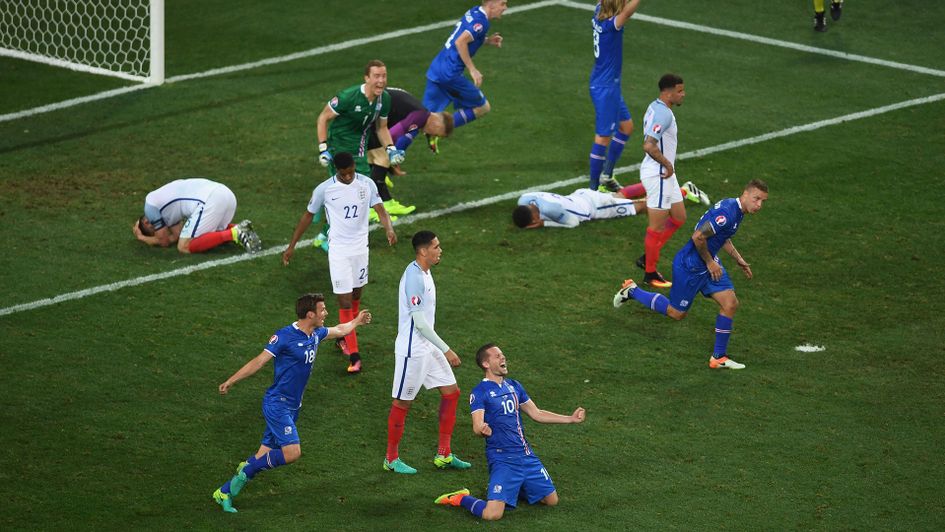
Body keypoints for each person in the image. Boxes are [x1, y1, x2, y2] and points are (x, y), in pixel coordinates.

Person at [211, 293, 372, 513]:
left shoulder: (316, 333)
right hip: (277, 404)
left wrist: (356, 321)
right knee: (292, 452)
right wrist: (231, 380)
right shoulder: (284, 337)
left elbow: (339, 330)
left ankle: (225, 491)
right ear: (310, 314)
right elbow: (259, 361)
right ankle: (246, 471)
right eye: (322, 310)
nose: (326, 313)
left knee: (262, 456)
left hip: (293, 406)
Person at [613, 179, 769, 370]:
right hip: (691, 267)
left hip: (708, 264)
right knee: (676, 313)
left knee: (730, 304)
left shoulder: (736, 210)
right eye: (756, 199)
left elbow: (723, 236)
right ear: (745, 194)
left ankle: (718, 357)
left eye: (762, 201)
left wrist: (738, 259)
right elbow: (698, 236)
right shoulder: (727, 214)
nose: (759, 205)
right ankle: (632, 291)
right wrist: (710, 262)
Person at [434, 343, 586, 521]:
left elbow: (536, 413)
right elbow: (477, 426)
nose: (503, 357)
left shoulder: (514, 386)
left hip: (526, 455)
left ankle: (511, 488)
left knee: (551, 501)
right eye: (497, 356)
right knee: (492, 515)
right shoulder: (480, 391)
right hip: (503, 459)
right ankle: (461, 498)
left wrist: (570, 418)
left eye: (502, 355)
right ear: (486, 364)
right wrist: (482, 430)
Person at [282, 152, 396, 374]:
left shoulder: (367, 184)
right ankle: (354, 355)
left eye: (350, 172)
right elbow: (307, 216)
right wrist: (291, 245)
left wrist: (389, 229)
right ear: (336, 171)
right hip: (339, 251)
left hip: (361, 249)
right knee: (344, 302)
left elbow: (380, 209)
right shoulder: (324, 189)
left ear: (354, 167)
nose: (348, 177)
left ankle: (343, 335)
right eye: (343, 174)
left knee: (356, 296)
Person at [384, 230, 470, 474]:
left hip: (427, 346)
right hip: (413, 350)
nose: (440, 250)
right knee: (403, 403)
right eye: (436, 247)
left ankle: (444, 454)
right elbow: (420, 324)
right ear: (423, 251)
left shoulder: (425, 271)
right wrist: (447, 350)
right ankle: (391, 459)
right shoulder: (414, 278)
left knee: (451, 392)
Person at [314, 59, 405, 250]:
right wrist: (323, 149)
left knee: (361, 192)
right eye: (377, 76)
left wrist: (391, 149)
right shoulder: (348, 96)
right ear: (367, 78)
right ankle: (327, 235)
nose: (381, 81)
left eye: (384, 76)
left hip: (359, 150)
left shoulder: (384, 99)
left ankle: (325, 231)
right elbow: (323, 118)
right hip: (338, 149)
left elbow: (381, 128)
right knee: (345, 194)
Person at [422, 0, 507, 151]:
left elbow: (469, 35)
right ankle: (437, 129)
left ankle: (389, 143)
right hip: (451, 73)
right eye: (503, 3)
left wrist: (488, 40)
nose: (505, 8)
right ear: (491, 4)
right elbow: (460, 42)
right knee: (483, 107)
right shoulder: (482, 22)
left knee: (421, 118)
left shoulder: (474, 11)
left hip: (438, 66)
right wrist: (473, 70)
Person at [365, 87, 455, 219]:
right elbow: (390, 135)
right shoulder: (420, 117)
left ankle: (386, 202)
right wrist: (387, 164)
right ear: (437, 125)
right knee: (381, 158)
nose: (430, 135)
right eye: (436, 134)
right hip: (367, 113)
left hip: (371, 111)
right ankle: (371, 207)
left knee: (378, 160)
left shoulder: (421, 114)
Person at [636, 73, 688, 288]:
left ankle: (647, 255)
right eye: (680, 91)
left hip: (665, 174)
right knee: (656, 227)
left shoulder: (655, 106)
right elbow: (649, 145)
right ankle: (650, 273)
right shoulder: (664, 114)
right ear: (668, 93)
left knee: (679, 216)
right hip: (659, 174)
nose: (683, 94)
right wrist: (667, 164)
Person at [588, 0, 642, 192]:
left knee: (626, 127)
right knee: (603, 138)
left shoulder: (598, 12)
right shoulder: (612, 25)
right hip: (606, 89)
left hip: (605, 83)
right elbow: (627, 12)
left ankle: (607, 175)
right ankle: (593, 191)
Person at [132, 177, 261, 254]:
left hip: (210, 199)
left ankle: (235, 233)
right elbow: (176, 236)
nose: (158, 230)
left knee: (184, 247)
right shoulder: (166, 211)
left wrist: (142, 237)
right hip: (226, 194)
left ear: (146, 222)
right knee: (207, 236)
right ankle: (242, 229)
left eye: (154, 230)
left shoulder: (150, 207)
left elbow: (164, 241)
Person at [512, 187, 647, 229]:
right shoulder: (523, 199)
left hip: (596, 206)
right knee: (619, 196)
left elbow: (574, 222)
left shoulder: (550, 210)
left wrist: (544, 224)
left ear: (534, 219)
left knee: (638, 207)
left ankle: (659, 197)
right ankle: (649, 183)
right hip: (581, 195)